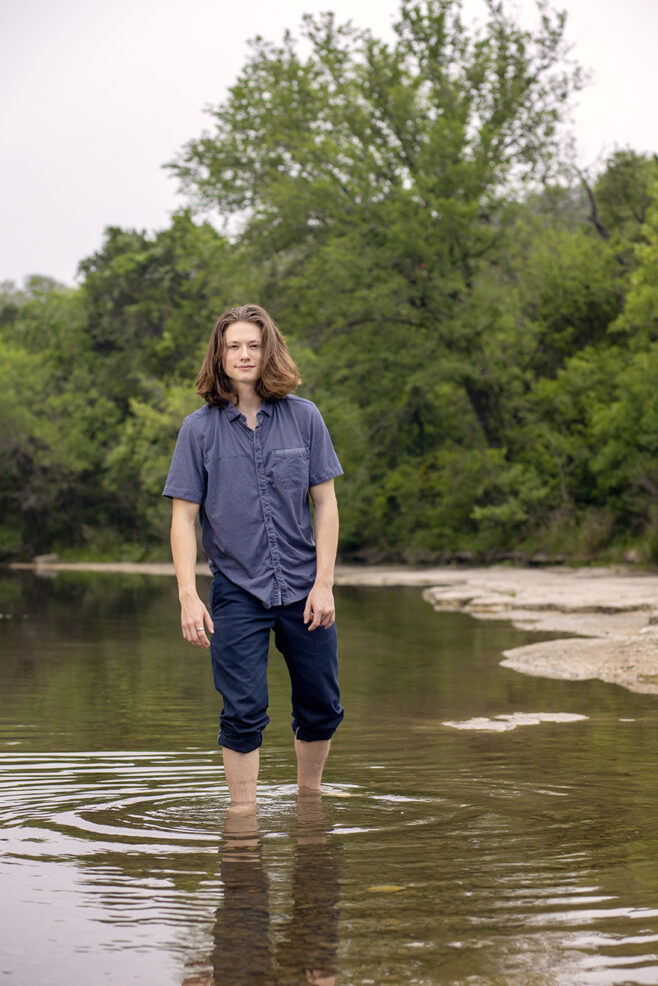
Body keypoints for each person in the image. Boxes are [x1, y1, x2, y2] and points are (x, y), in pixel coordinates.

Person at [163, 304, 344, 806]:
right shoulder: (196, 430)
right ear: (219, 356)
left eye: (253, 344)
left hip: (305, 588)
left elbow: (325, 504)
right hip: (237, 591)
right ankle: (242, 822)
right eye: (233, 345)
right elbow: (183, 518)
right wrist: (187, 595)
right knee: (242, 711)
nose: (244, 354)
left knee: (322, 706)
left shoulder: (305, 417)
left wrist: (324, 583)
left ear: (269, 350)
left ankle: (310, 803)